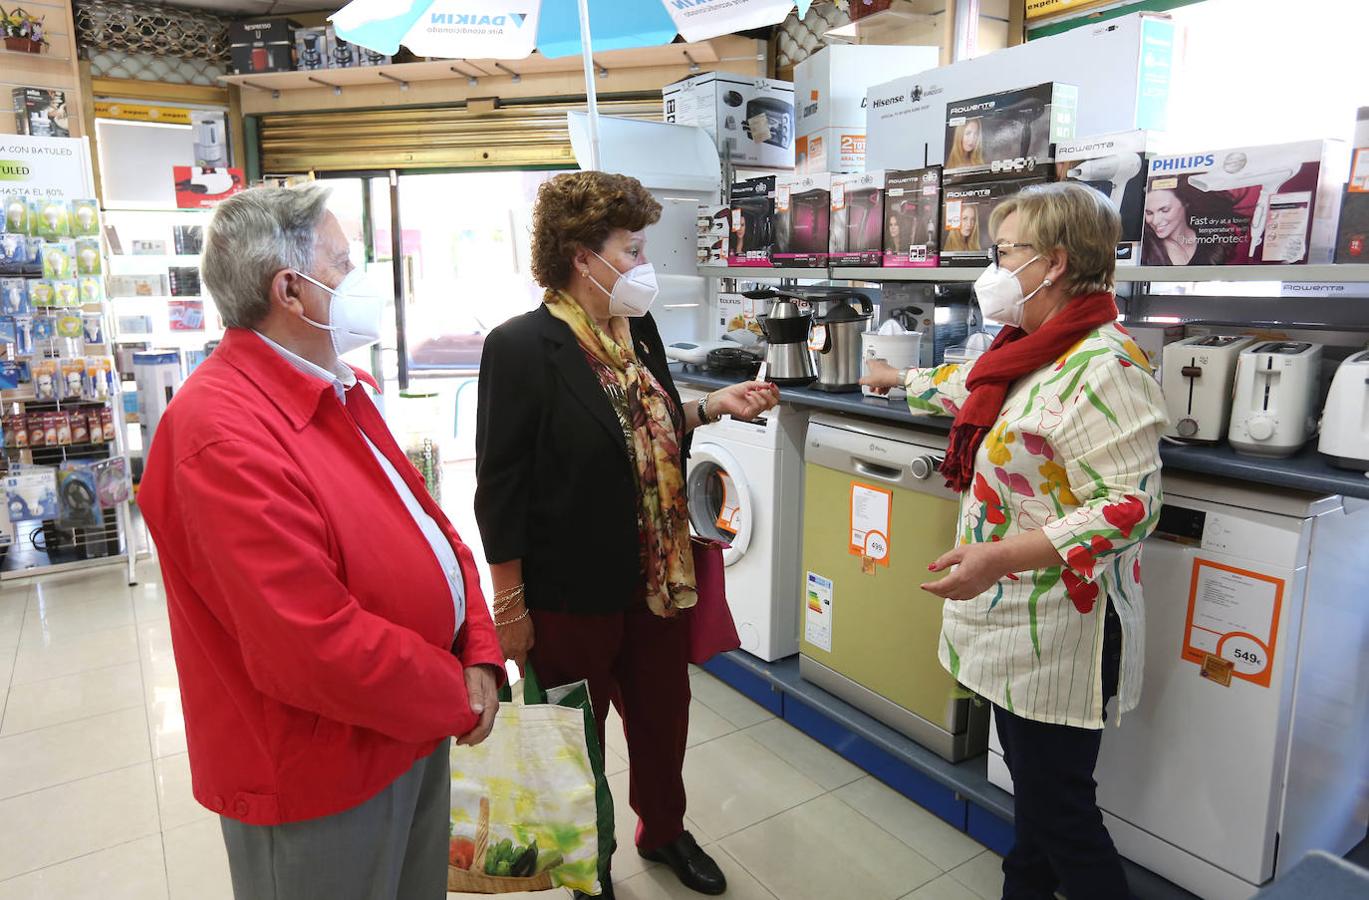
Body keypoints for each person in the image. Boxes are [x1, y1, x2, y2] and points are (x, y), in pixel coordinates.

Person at [138, 184, 505, 900]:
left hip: (410, 725)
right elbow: (309, 646)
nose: (361, 276)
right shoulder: (220, 432)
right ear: (291, 291)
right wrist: (454, 691)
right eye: (344, 262)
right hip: (321, 771)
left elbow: (432, 530)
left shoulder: (338, 386)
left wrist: (480, 651)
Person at [475, 171, 779, 899]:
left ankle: (665, 830)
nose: (642, 262)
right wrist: (508, 606)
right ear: (584, 256)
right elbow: (501, 488)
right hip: (568, 589)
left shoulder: (634, 327)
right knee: (575, 735)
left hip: (658, 578)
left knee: (661, 719)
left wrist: (709, 409)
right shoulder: (521, 347)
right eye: (631, 247)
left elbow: (645, 429)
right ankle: (590, 864)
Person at [863, 182, 1166, 900]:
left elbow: (1131, 506)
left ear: (1052, 264)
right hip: (1009, 618)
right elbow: (974, 389)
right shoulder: (1026, 346)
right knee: (1037, 806)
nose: (992, 269)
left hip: (1061, 627)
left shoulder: (1103, 365)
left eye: (1004, 253)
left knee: (1060, 814)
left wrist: (1000, 557)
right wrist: (890, 378)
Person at [1141, 182, 1233, 265]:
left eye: (1165, 210)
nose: (1155, 221)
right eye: (1149, 213)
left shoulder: (1211, 243)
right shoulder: (1143, 250)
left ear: (1185, 203)